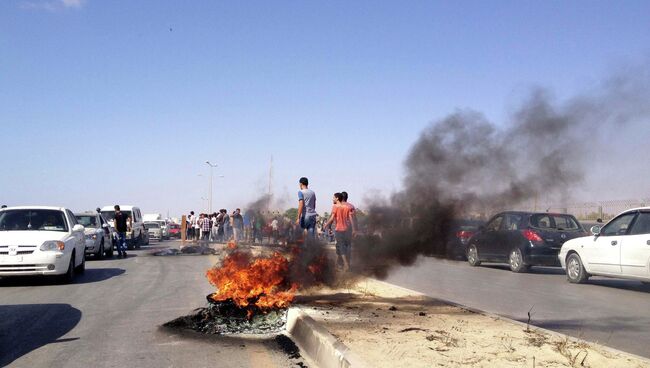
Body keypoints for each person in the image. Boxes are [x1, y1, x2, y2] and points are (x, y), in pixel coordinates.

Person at [323, 193, 356, 271]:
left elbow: (331, 218)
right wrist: (354, 229)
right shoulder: (346, 207)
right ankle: (336, 265)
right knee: (338, 247)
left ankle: (346, 264)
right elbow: (351, 219)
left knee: (341, 247)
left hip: (339, 230)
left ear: (337, 198)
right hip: (346, 230)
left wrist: (326, 225)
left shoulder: (335, 206)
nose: (333, 199)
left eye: (333, 197)